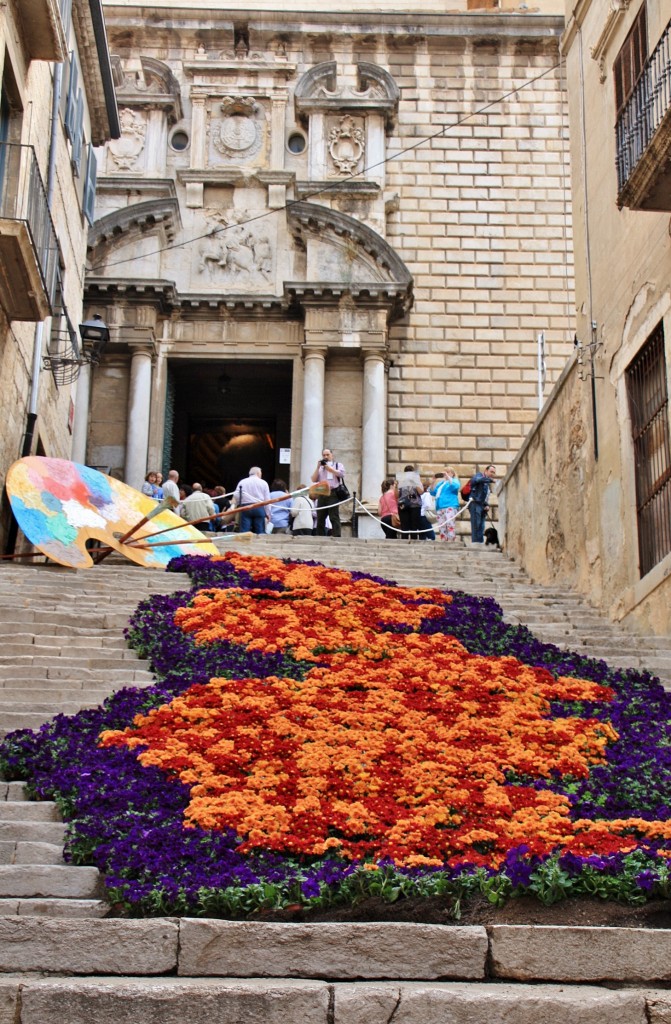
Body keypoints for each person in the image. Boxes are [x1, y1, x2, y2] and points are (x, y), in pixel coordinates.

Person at [311, 448, 346, 537]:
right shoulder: (321, 468)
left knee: (333, 516)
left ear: (332, 455)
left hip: (333, 492)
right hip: (322, 493)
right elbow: (313, 479)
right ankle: (320, 536)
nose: (326, 457)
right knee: (320, 516)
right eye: (324, 455)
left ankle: (337, 535)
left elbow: (341, 474)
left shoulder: (338, 465)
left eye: (327, 455)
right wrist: (318, 467)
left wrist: (329, 468)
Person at [234, 466, 271, 535]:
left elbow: (236, 495)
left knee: (244, 530)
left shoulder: (242, 482)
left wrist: (240, 503)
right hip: (259, 507)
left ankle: (244, 544)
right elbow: (267, 499)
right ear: (258, 473)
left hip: (245, 507)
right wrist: (268, 513)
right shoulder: (263, 483)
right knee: (260, 530)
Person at [468, 464, 497, 544]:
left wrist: (486, 504)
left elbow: (483, 496)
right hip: (475, 503)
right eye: (491, 471)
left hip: (481, 505)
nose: (492, 474)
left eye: (494, 472)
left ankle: (480, 543)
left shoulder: (486, 482)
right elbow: (476, 480)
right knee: (476, 525)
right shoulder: (479, 475)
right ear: (486, 471)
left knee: (481, 526)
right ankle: (475, 544)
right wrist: (491, 480)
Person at [431, 468, 461, 542]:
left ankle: (451, 541)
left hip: (450, 505)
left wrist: (448, 477)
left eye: (448, 472)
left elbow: (455, 486)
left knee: (450, 524)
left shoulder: (454, 480)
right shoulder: (441, 483)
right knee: (441, 526)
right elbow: (432, 492)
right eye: (445, 472)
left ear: (452, 474)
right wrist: (433, 481)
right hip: (440, 506)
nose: (445, 474)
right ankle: (443, 540)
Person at [394, 466, 424, 539]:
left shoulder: (417, 481)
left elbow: (421, 492)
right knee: (404, 527)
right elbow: (396, 496)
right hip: (403, 505)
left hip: (415, 505)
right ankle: (404, 542)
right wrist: (396, 486)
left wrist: (414, 482)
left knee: (414, 526)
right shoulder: (401, 481)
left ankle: (414, 543)